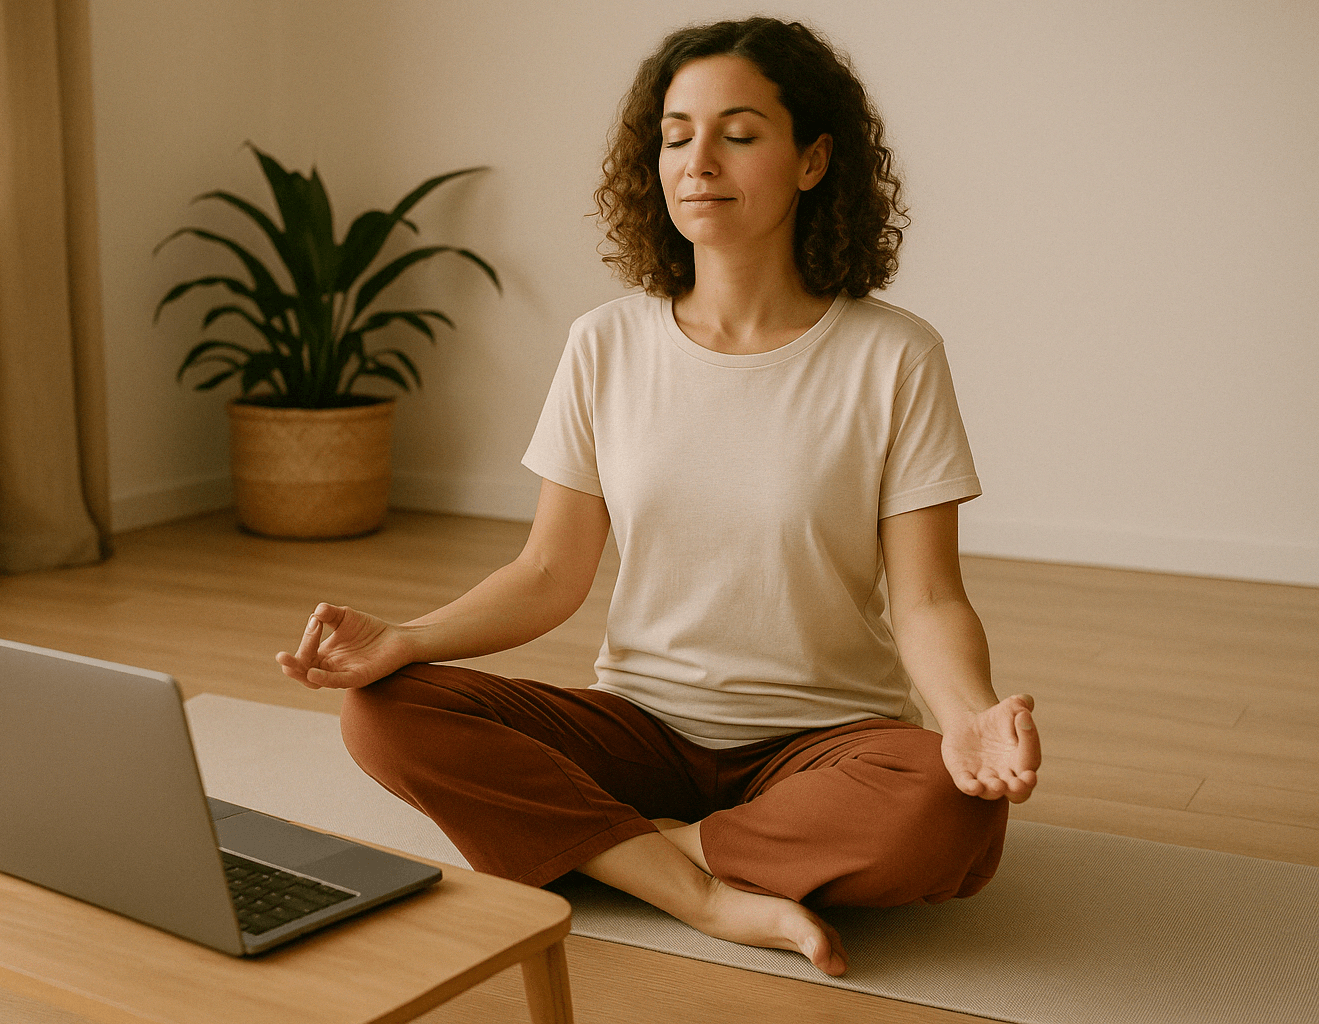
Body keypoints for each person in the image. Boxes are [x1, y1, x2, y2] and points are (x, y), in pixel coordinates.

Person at [277, 16, 1040, 978]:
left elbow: (927, 598)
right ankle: (703, 889)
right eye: (676, 135)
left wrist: (967, 715)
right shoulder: (607, 343)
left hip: (824, 744)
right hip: (641, 726)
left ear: (813, 159)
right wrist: (409, 639)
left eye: (740, 133)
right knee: (381, 712)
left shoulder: (893, 355)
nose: (698, 161)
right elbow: (551, 571)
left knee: (946, 805)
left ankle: (628, 847)